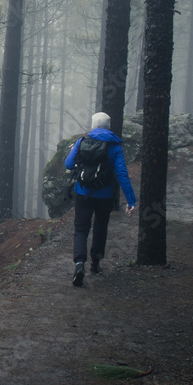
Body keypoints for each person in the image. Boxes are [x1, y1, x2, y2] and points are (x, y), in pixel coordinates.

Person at [64, 111, 137, 287]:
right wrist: (131, 200)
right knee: (100, 228)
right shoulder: (115, 147)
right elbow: (122, 174)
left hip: (83, 193)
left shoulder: (82, 141)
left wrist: (81, 166)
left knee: (81, 229)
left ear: (93, 125)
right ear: (108, 126)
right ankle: (95, 265)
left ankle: (79, 263)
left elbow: (68, 163)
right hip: (105, 195)